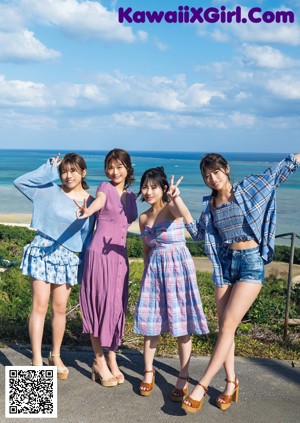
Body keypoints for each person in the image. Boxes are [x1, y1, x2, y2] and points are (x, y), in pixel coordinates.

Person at [167, 153, 300, 413]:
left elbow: (278, 172)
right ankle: (231, 383)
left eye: (216, 172)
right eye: (207, 175)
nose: (212, 178)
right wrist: (177, 200)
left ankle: (201, 386)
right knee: (226, 327)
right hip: (224, 264)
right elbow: (197, 233)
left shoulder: (248, 187)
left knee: (228, 325)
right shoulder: (211, 205)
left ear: (226, 169)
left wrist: (296, 156)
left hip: (250, 261)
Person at [14, 153, 95, 379]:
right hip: (42, 251)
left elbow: (87, 238)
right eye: (64, 171)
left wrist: (83, 268)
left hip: (68, 257)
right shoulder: (48, 190)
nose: (68, 176)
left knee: (59, 309)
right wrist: (48, 169)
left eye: (73, 171)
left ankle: (56, 355)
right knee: (39, 306)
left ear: (83, 173)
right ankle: (37, 359)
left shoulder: (90, 201)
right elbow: (20, 182)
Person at [133, 167, 209, 399]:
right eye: (145, 187)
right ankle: (148, 372)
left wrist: (177, 197)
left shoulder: (171, 208)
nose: (148, 191)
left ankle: (183, 376)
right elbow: (147, 249)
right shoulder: (143, 217)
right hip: (154, 273)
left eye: (153, 187)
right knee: (150, 324)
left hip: (178, 271)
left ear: (163, 188)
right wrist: (147, 275)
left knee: (182, 325)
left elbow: (185, 216)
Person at [77, 148, 138, 387]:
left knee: (115, 307)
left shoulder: (132, 196)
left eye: (119, 166)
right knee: (98, 305)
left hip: (120, 257)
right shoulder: (104, 187)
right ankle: (99, 360)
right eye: (110, 167)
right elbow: (99, 202)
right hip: (99, 254)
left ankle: (112, 357)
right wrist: (87, 210)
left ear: (127, 168)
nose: (114, 171)